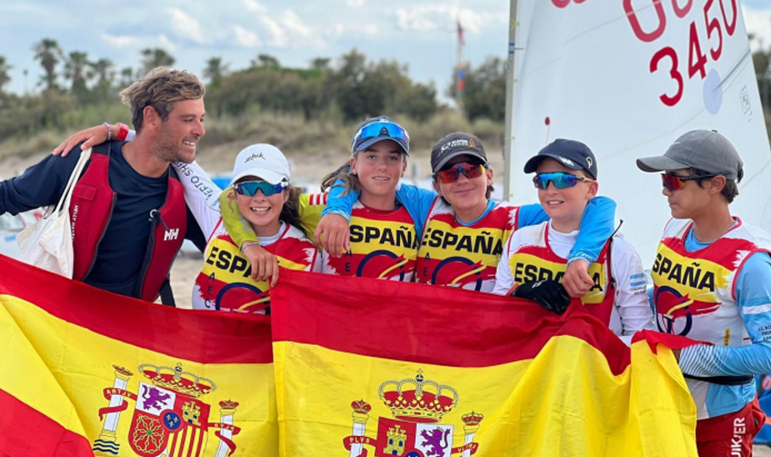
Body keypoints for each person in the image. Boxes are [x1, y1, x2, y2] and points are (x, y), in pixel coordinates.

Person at [637, 129, 771, 457]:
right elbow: (665, 301)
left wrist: (684, 356)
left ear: (716, 184)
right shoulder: (673, 231)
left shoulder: (751, 261)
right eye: (664, 179)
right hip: (667, 402)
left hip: (721, 415)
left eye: (675, 180)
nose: (665, 189)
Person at [316, 132, 617, 295]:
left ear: (489, 176)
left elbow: (599, 206)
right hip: (422, 336)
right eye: (449, 174)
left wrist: (581, 257)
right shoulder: (426, 205)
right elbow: (357, 177)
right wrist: (337, 211)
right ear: (436, 185)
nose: (461, 180)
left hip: (475, 342)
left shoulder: (513, 217)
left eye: (471, 169)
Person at [0, 67, 206, 302]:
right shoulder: (79, 163)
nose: (200, 130)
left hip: (130, 330)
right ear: (151, 118)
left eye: (200, 119)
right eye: (188, 120)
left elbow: (222, 246)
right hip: (61, 320)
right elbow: (6, 196)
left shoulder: (187, 193)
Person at [493, 139, 652, 344]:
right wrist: (519, 293)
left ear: (591, 189)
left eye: (563, 180)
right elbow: (496, 312)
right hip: (528, 365)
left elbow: (640, 334)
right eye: (541, 181)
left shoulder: (620, 251)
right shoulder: (520, 240)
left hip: (594, 371)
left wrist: (582, 353)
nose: (550, 190)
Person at [222, 117, 419, 281]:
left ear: (404, 166)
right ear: (354, 164)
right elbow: (229, 197)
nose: (382, 166)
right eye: (371, 156)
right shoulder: (325, 208)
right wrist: (250, 245)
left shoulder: (419, 212)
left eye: (392, 158)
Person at [177, 144, 319, 314]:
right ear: (234, 194)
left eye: (269, 187)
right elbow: (181, 162)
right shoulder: (217, 218)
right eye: (248, 188)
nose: (259, 198)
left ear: (286, 194)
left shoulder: (307, 253)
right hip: (205, 337)